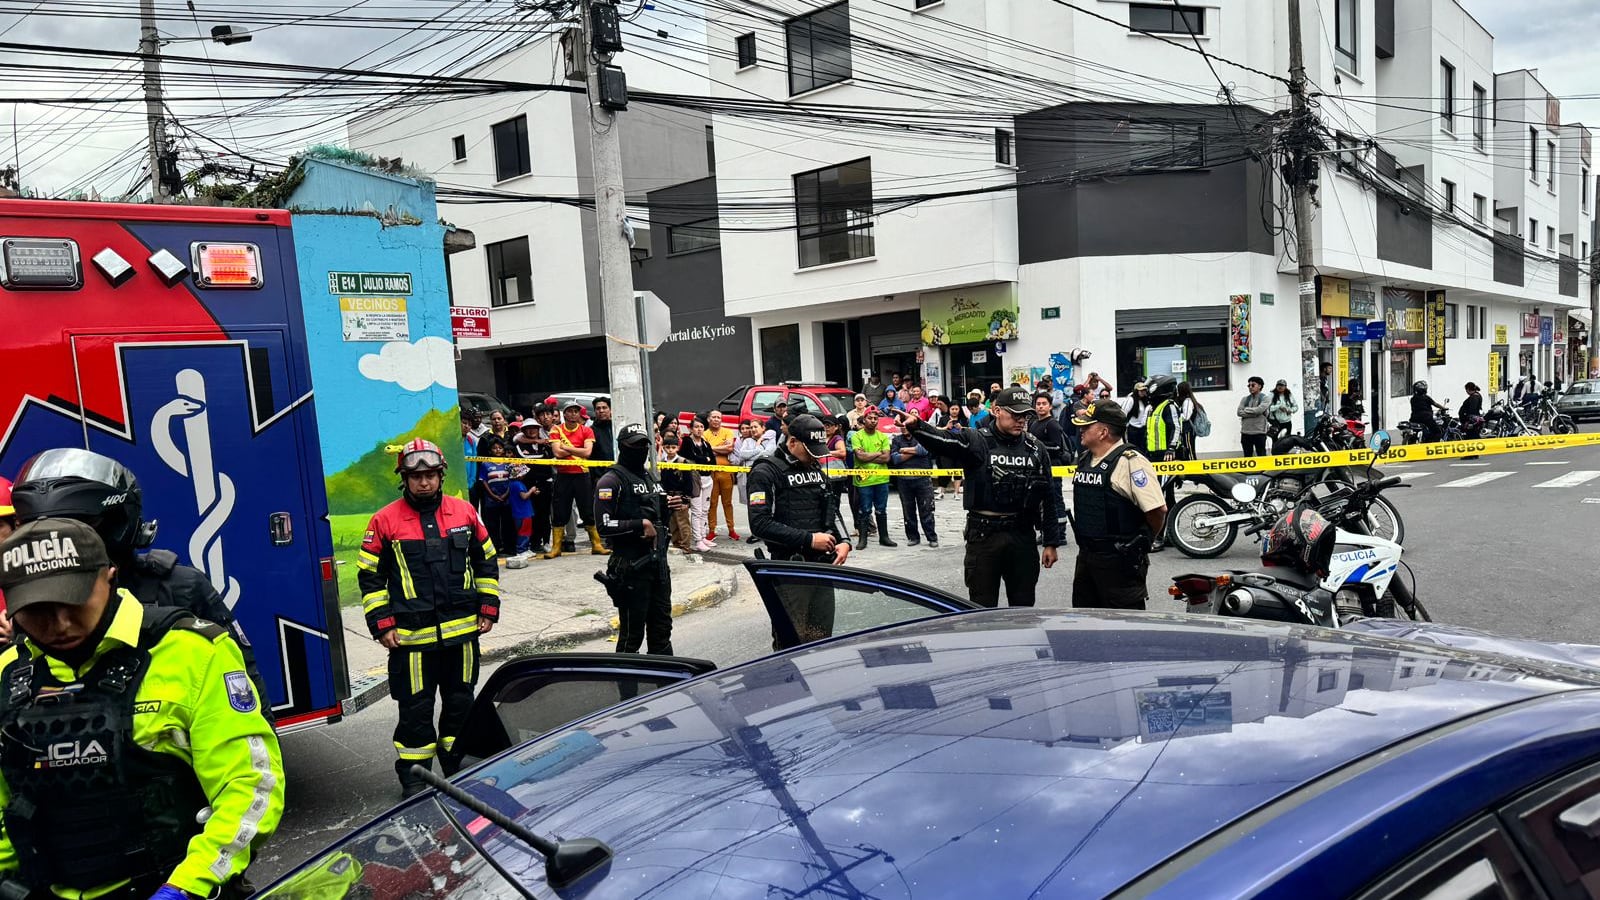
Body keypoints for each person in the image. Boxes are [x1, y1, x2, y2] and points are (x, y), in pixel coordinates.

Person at [0, 517, 285, 900]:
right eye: (38, 610)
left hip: (173, 886)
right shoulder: (7, 676)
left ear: (109, 578)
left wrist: (188, 885)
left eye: (73, 599)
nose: (60, 623)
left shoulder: (192, 652)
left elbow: (251, 786)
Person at [10, 448, 269, 713]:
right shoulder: (31, 600)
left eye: (73, 530)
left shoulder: (179, 585)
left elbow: (243, 683)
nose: (60, 620)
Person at [359, 438, 500, 798]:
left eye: (430, 475)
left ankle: (459, 770)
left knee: (461, 706)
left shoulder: (464, 512)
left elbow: (485, 560)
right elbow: (370, 577)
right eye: (415, 476)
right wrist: (382, 624)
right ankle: (416, 779)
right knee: (415, 713)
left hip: (463, 636)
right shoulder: (384, 520)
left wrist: (488, 608)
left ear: (441, 476)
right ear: (403, 479)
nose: (424, 482)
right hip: (411, 641)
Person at [896, 387, 1062, 607]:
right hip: (985, 535)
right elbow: (943, 439)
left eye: (1025, 415)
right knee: (981, 607)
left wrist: (1051, 542)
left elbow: (1048, 497)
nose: (1021, 420)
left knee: (1023, 607)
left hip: (1022, 535)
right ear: (996, 411)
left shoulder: (1035, 448)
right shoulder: (977, 440)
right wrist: (918, 426)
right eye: (1015, 414)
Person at [745, 415, 851, 649]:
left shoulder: (814, 466)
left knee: (821, 639)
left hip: (821, 568)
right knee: (791, 643)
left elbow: (831, 507)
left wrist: (844, 540)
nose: (815, 455)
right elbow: (760, 524)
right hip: (790, 569)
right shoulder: (766, 471)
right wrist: (809, 539)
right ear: (792, 442)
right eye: (809, 449)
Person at [1069, 401, 1168, 609]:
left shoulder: (1131, 462)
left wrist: (1144, 540)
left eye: (1087, 426)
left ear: (1103, 432)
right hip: (1087, 557)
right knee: (1086, 622)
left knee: (1125, 627)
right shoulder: (1087, 459)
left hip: (1119, 560)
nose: (1081, 430)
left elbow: (1157, 510)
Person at [594, 424, 675, 655]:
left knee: (662, 632)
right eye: (635, 445)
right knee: (632, 637)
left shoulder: (649, 476)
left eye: (643, 445)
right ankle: (629, 689)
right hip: (631, 567)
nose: (640, 449)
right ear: (622, 447)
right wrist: (640, 525)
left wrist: (670, 506)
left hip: (657, 565)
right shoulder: (611, 480)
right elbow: (603, 526)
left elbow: (656, 513)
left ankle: (665, 686)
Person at [545, 402, 610, 558]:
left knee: (588, 510)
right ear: (564, 414)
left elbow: (587, 452)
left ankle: (596, 545)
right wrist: (576, 450)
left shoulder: (586, 430)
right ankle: (556, 547)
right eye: (570, 411)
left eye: (576, 411)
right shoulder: (556, 429)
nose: (573, 414)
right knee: (560, 511)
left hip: (582, 475)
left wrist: (566, 447)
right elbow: (556, 453)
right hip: (563, 476)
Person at [849, 407, 897, 548]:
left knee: (881, 509)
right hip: (863, 479)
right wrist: (877, 453)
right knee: (865, 510)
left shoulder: (882, 436)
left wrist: (868, 455)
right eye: (870, 418)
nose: (873, 421)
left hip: (881, 479)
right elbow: (860, 456)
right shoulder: (857, 436)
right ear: (864, 420)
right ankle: (863, 539)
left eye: (876, 418)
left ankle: (884, 537)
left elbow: (886, 457)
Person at [1030, 391, 1071, 543]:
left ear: (1049, 406)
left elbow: (1057, 448)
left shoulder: (1052, 424)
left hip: (1053, 468)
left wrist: (1038, 446)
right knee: (1041, 503)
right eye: (1038, 404)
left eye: (1044, 404)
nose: (1040, 407)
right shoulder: (1034, 424)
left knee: (1055, 501)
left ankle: (1061, 534)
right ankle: (1044, 532)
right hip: (1038, 470)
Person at [891, 425, 938, 547]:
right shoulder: (896, 440)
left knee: (927, 510)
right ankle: (913, 537)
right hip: (903, 480)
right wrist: (915, 451)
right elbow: (895, 459)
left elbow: (924, 450)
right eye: (901, 426)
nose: (904, 428)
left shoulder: (921, 437)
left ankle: (932, 537)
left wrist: (904, 450)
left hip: (923, 479)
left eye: (906, 425)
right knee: (908, 511)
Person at [476, 436, 518, 557]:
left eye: (500, 448)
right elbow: (483, 481)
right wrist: (493, 495)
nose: (498, 450)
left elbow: (512, 479)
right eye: (495, 448)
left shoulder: (508, 462)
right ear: (490, 450)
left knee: (508, 524)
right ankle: (495, 547)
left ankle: (509, 547)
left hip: (507, 499)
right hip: (491, 500)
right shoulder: (485, 463)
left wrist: (506, 494)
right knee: (493, 525)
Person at [679, 416, 716, 552]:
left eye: (701, 427)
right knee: (697, 510)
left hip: (707, 479)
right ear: (691, 428)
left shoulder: (706, 444)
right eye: (696, 427)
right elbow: (691, 457)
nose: (699, 429)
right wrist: (703, 459)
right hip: (694, 479)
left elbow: (712, 461)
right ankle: (698, 540)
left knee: (705, 510)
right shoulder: (687, 441)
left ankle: (703, 536)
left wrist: (704, 459)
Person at [704, 410, 740, 542]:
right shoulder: (704, 434)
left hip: (726, 472)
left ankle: (732, 530)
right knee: (712, 503)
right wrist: (720, 447)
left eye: (719, 417)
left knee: (728, 503)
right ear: (709, 419)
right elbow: (705, 450)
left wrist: (712, 447)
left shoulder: (728, 432)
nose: (716, 419)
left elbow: (730, 448)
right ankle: (712, 530)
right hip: (712, 473)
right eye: (713, 417)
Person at [658, 434, 698, 554]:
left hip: (680, 496)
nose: (670, 450)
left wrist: (686, 498)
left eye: (673, 447)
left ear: (677, 448)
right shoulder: (663, 462)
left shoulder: (682, 462)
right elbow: (662, 481)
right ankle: (676, 543)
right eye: (668, 447)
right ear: (664, 447)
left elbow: (688, 482)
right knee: (672, 523)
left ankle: (686, 546)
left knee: (683, 523)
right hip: (668, 496)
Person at [1237, 376, 1270, 456]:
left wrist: (1246, 410)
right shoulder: (1245, 399)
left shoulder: (1265, 398)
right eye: (1249, 385)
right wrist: (1254, 412)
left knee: (1261, 454)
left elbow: (1259, 410)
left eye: (1253, 385)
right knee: (1247, 456)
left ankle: (1262, 469)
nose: (1250, 387)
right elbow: (1239, 412)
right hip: (1246, 432)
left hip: (1259, 432)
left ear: (1259, 386)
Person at [1177, 381, 1205, 460]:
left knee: (1189, 449)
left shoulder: (1188, 401)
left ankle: (1194, 469)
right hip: (1187, 430)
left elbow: (1186, 416)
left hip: (1188, 430)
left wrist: (1176, 417)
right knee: (1188, 449)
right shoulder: (1187, 401)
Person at [1123, 382, 1150, 451]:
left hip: (1142, 428)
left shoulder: (1146, 401)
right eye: (1141, 391)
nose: (1143, 392)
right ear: (1136, 391)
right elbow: (1124, 412)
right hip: (1132, 428)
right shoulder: (1131, 399)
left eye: (1144, 390)